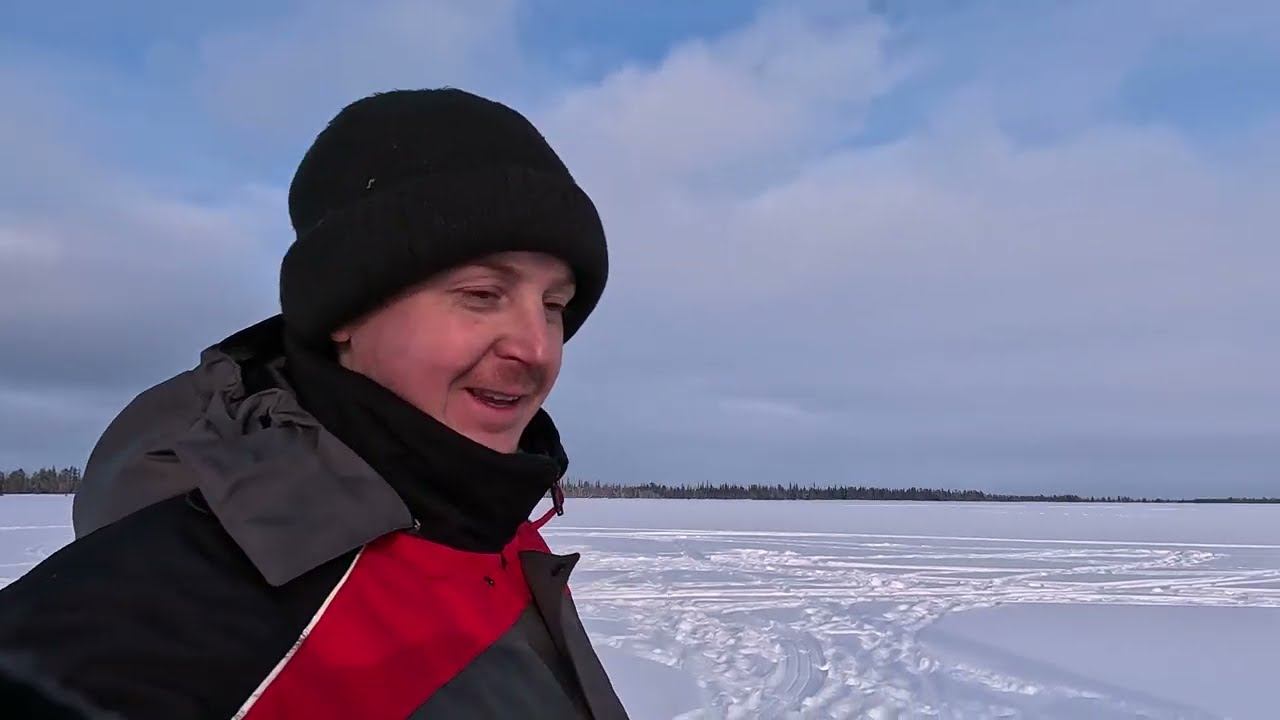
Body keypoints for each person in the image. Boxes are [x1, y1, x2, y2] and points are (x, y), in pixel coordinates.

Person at [0, 88, 629, 719]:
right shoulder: (146, 627)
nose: (537, 348)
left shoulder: (495, 526)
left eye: (554, 305)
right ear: (344, 313)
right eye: (482, 294)